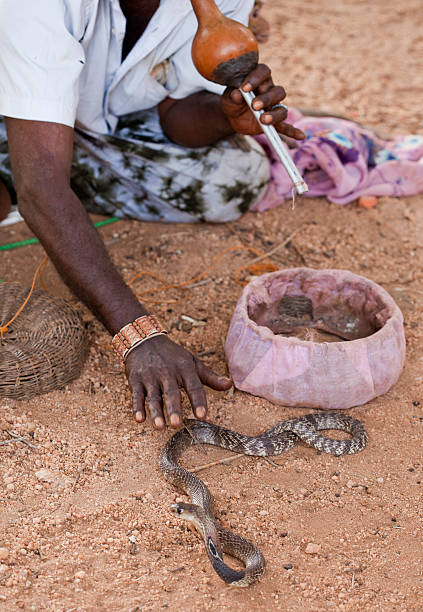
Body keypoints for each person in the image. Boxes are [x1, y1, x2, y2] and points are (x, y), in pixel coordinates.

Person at [0, 0, 305, 430]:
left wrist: (226, 115)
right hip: (11, 107)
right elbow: (44, 186)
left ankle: (34, 175)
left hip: (93, 125)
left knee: (236, 179)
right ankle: (34, 177)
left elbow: (172, 115)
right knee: (42, 188)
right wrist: (139, 336)